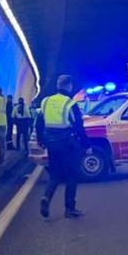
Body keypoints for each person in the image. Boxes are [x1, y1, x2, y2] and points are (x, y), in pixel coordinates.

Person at [36, 75, 86, 219]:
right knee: (72, 174)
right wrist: (85, 144)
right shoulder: (70, 103)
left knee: (55, 174)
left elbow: (39, 123)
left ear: (58, 85)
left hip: (51, 143)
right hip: (67, 143)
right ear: (69, 85)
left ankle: (46, 197)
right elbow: (79, 126)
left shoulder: (46, 101)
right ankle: (69, 209)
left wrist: (40, 139)